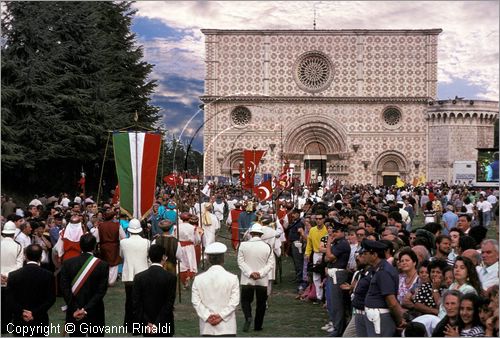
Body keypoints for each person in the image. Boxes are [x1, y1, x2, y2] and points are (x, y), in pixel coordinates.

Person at [60, 234, 109, 337]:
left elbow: (65, 289)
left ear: (80, 246)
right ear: (95, 246)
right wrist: (85, 309)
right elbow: (101, 291)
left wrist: (76, 308)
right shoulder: (102, 265)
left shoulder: (68, 263)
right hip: (94, 310)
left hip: (74, 311)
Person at [191, 242, 240, 336]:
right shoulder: (232, 278)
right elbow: (234, 302)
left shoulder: (199, 279)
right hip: (227, 327)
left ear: (208, 259)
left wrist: (207, 316)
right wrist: (221, 316)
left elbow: (196, 302)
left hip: (207, 328)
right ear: (223, 259)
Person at [7, 244, 56, 336]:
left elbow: (10, 299)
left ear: (25, 256)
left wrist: (22, 312)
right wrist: (34, 313)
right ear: (41, 257)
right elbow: (51, 299)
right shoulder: (48, 275)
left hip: (20, 321)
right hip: (40, 320)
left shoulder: (13, 275)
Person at [362, 239, 406, 337]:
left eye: (365, 253)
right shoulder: (378, 269)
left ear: (374, 255)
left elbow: (391, 301)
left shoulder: (383, 272)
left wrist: (400, 320)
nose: (363, 255)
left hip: (380, 316)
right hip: (376, 315)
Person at [132, 244, 177, 337]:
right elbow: (169, 303)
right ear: (163, 257)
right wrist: (158, 323)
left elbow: (136, 303)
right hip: (165, 323)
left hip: (147, 325)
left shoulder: (139, 277)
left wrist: (147, 323)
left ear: (149, 258)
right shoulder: (170, 277)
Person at [237, 223, 274, 332]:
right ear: (261, 234)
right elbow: (270, 264)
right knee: (261, 303)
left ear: (251, 233)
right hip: (261, 281)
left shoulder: (243, 245)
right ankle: (258, 326)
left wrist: (250, 273)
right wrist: (260, 273)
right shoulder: (267, 247)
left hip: (247, 279)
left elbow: (240, 262)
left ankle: (248, 316)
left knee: (245, 301)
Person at [120, 218, 150, 333]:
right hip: (143, 274)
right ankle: (141, 325)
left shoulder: (123, 242)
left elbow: (121, 255)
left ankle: (130, 325)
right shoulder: (146, 242)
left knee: (129, 300)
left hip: (129, 276)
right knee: (142, 301)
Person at [324, 220, 351, 337]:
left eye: (336, 231)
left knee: (337, 304)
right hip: (333, 273)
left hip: (338, 274)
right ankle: (336, 327)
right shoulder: (338, 242)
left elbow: (329, 257)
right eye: (333, 231)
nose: (333, 233)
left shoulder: (342, 243)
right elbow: (327, 258)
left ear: (343, 232)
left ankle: (338, 330)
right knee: (332, 303)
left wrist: (329, 244)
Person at [1, 221, 24, 333]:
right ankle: (8, 326)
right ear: (14, 234)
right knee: (10, 305)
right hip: (12, 281)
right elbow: (19, 266)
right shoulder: (18, 246)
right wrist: (8, 277)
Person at [94, 211, 126, 286]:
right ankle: (111, 281)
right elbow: (123, 237)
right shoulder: (117, 225)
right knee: (114, 264)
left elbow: (95, 237)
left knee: (105, 263)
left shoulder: (100, 226)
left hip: (103, 247)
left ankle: (106, 280)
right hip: (114, 247)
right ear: (112, 217)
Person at [304, 211, 328, 302]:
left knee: (325, 275)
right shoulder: (312, 230)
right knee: (316, 276)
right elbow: (309, 243)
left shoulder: (326, 230)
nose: (318, 221)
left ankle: (325, 297)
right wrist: (307, 253)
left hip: (326, 253)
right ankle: (319, 296)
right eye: (316, 219)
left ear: (323, 219)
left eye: (320, 219)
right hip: (316, 253)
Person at [178, 212, 201, 288]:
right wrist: (195, 243)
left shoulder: (177, 227)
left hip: (180, 246)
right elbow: (197, 239)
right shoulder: (193, 228)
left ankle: (184, 281)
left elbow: (175, 237)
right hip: (190, 247)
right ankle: (189, 276)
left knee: (182, 263)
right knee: (190, 262)